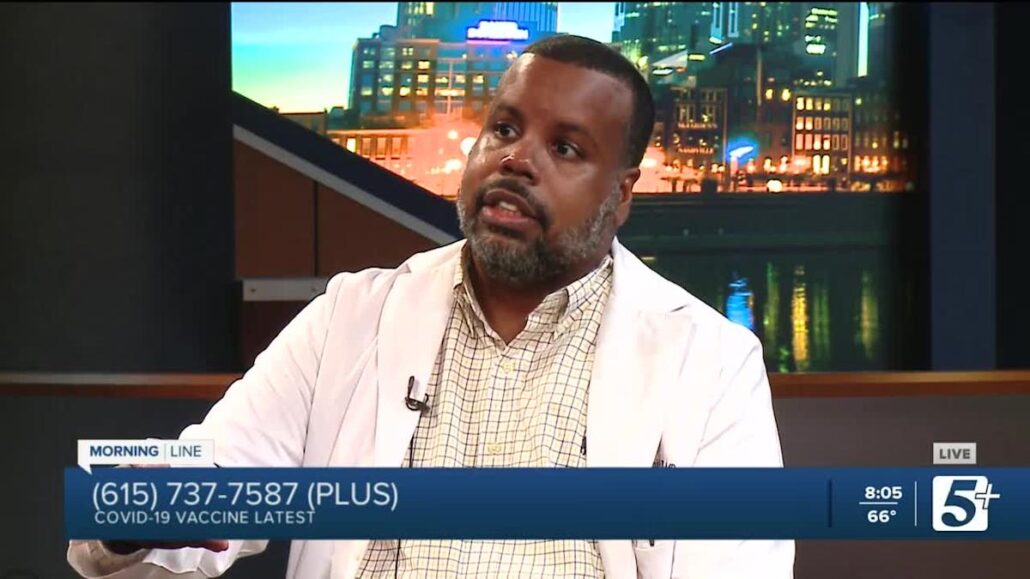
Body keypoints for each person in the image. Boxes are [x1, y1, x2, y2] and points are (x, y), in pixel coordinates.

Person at [68, 34, 794, 578]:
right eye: (505, 129)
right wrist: (138, 520)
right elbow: (200, 496)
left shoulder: (711, 361)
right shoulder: (349, 317)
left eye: (566, 148)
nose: (516, 159)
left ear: (623, 192)